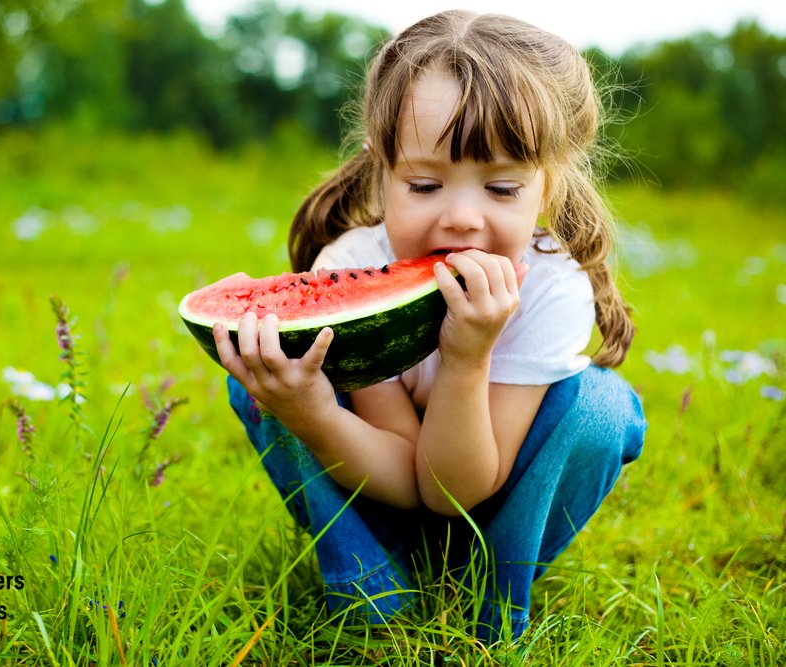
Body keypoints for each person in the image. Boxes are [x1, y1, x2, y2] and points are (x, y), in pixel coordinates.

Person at [212, 9, 646, 643]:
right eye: (423, 184)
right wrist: (309, 411)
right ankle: (371, 594)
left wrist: (468, 358)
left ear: (547, 187)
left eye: (500, 189)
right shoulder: (352, 266)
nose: (463, 219)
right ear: (380, 168)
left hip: (491, 506)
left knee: (603, 407)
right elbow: (408, 481)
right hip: (375, 486)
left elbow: (451, 494)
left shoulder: (551, 289)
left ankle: (490, 609)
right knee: (262, 375)